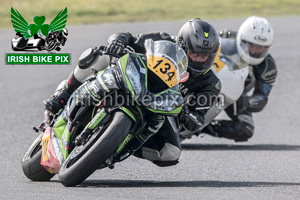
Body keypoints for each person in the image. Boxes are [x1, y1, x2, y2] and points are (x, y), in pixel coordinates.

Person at [44, 18, 221, 166]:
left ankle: (116, 145)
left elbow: (198, 119)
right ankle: (63, 95)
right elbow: (126, 37)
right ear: (182, 44)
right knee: (100, 55)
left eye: (203, 56)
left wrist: (186, 114)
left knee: (170, 153)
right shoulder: (164, 40)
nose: (197, 60)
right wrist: (118, 42)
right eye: (193, 54)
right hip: (133, 80)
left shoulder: (211, 84)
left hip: (160, 110)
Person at [203, 16, 277, 142]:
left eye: (260, 48)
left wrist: (246, 101)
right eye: (251, 45)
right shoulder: (226, 37)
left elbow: (262, 98)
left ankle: (205, 127)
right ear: (242, 39)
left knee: (245, 129)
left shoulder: (267, 67)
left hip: (234, 95)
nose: (254, 51)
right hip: (207, 81)